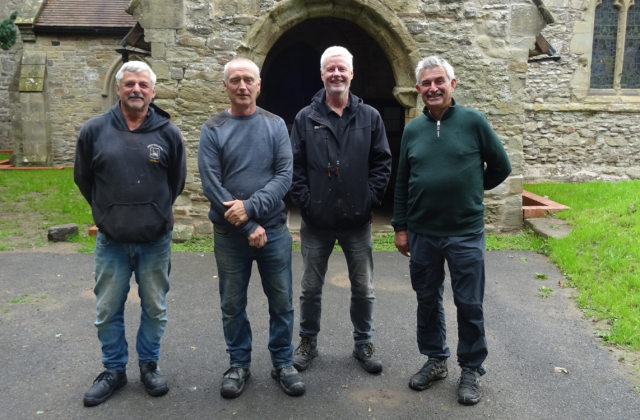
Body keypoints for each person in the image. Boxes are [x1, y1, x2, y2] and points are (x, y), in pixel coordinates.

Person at [392, 56, 512, 405]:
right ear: (417, 90)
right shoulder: (413, 129)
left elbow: (501, 166)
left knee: (469, 303)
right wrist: (401, 228)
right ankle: (435, 359)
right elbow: (401, 183)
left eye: (438, 81)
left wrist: (472, 189)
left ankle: (471, 368)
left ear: (452, 84)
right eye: (426, 84)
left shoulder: (473, 121)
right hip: (422, 233)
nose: (433, 88)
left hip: (465, 233)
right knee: (427, 300)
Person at [74, 61, 186, 406]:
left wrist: (153, 212)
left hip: (155, 241)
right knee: (108, 308)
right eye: (129, 84)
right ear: (119, 89)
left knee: (155, 307)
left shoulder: (168, 133)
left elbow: (176, 182)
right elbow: (84, 179)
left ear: (152, 92)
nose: (136, 90)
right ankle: (113, 370)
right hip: (112, 241)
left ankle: (149, 365)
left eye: (143, 84)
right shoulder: (94, 130)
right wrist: (107, 213)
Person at [198, 58, 304, 398]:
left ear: (259, 85)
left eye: (248, 80)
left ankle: (283, 363)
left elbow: (284, 176)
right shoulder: (212, 129)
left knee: (282, 302)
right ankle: (239, 364)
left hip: (273, 231)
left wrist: (251, 210)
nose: (242, 86)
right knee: (232, 303)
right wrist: (246, 226)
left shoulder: (275, 125)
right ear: (226, 86)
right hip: (231, 236)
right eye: (235, 80)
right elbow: (212, 185)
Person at [289, 46, 392, 374]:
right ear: (322, 74)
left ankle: (364, 342)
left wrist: (369, 199)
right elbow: (295, 166)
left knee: (364, 287)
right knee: (309, 288)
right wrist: (307, 201)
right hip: (316, 222)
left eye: (342, 69)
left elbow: (382, 162)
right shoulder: (306, 118)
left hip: (357, 222)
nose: (336, 74)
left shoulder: (370, 117)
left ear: (351, 74)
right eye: (330, 69)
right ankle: (307, 342)